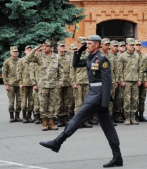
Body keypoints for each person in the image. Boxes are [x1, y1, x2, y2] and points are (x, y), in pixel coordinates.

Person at [39, 35, 123, 168]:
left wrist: (105, 103)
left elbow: (107, 83)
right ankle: (117, 157)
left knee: (77, 118)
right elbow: (76, 64)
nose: (87, 45)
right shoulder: (90, 58)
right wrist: (80, 50)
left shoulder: (102, 59)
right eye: (87, 44)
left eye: (89, 44)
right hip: (94, 94)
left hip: (98, 96)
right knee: (108, 128)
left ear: (97, 45)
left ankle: (58, 142)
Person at [25, 40, 62, 131]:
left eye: (46, 46)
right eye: (43, 46)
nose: (44, 47)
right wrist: (36, 48)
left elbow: (60, 72)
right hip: (43, 85)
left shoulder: (56, 57)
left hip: (53, 85)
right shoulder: (39, 57)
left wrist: (60, 82)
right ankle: (44, 122)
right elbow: (28, 58)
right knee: (43, 105)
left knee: (52, 105)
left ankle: (51, 122)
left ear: (51, 48)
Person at [118, 38, 142, 125]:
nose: (132, 46)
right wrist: (121, 80)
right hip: (126, 81)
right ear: (127, 45)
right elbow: (119, 69)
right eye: (130, 45)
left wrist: (140, 79)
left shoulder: (137, 56)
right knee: (127, 99)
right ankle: (127, 117)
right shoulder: (122, 56)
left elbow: (140, 69)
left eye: (133, 45)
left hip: (135, 80)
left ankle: (133, 117)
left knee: (134, 99)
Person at [70, 37, 92, 128]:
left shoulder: (89, 55)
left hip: (86, 82)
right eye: (82, 43)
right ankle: (77, 122)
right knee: (78, 103)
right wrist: (73, 82)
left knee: (86, 103)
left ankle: (85, 121)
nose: (84, 45)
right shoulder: (76, 55)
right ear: (79, 44)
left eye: (86, 44)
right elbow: (72, 70)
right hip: (78, 82)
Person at [100, 38, 118, 126]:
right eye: (106, 45)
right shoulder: (98, 56)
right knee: (100, 100)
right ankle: (100, 118)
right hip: (101, 82)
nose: (107, 46)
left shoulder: (112, 57)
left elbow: (115, 70)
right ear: (101, 45)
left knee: (110, 101)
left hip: (111, 81)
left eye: (108, 45)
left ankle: (109, 118)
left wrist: (116, 81)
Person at [2, 46, 22, 122]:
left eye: (16, 51)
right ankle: (11, 116)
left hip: (19, 83)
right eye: (14, 51)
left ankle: (17, 116)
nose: (15, 53)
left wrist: (22, 82)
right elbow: (4, 74)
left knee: (19, 101)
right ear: (10, 52)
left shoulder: (20, 61)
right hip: (11, 84)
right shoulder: (7, 62)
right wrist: (6, 84)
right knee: (11, 101)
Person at [17, 45, 35, 123]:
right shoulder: (21, 60)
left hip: (32, 84)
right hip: (24, 83)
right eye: (27, 49)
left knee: (31, 101)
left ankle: (29, 116)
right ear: (25, 51)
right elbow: (18, 72)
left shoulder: (34, 59)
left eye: (30, 49)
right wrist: (20, 82)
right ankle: (24, 116)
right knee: (24, 102)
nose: (29, 51)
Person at [56, 41, 72, 127]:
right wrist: (56, 82)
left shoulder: (68, 58)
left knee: (67, 101)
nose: (63, 48)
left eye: (63, 46)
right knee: (59, 101)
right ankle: (59, 118)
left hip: (68, 82)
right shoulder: (55, 58)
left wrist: (71, 81)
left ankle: (65, 118)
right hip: (58, 83)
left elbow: (71, 70)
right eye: (61, 46)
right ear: (57, 48)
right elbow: (53, 72)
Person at [135, 40, 147, 122]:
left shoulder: (144, 56)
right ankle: (135, 115)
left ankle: (141, 114)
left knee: (142, 98)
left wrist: (146, 80)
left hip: (143, 80)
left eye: (139, 45)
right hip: (135, 80)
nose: (138, 46)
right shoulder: (132, 56)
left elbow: (146, 69)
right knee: (134, 98)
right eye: (137, 45)